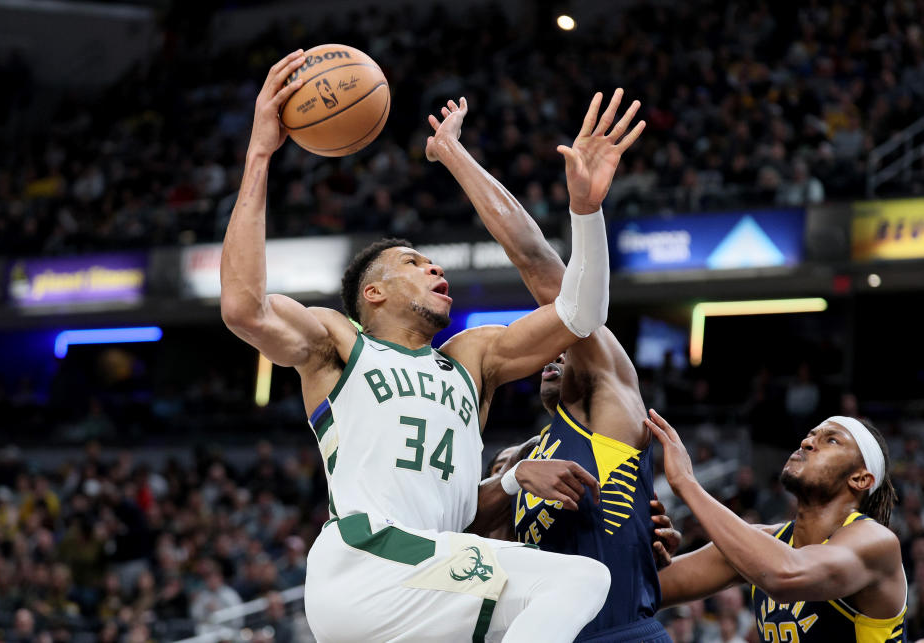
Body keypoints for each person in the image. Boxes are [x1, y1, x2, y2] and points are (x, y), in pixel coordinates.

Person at [220, 49, 638, 642]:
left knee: (542, 610)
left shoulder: (472, 359)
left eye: (435, 262)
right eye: (414, 263)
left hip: (424, 575)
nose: (435, 269)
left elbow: (580, 314)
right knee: (577, 584)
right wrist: (261, 151)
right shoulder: (340, 343)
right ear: (373, 292)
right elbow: (244, 308)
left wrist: (586, 212)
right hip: (364, 560)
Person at [427, 89, 674, 641]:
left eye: (563, 346)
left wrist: (455, 156)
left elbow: (537, 262)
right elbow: (455, 547)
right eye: (548, 349)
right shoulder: (518, 459)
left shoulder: (606, 400)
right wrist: (510, 480)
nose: (555, 353)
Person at [648, 409, 907, 642]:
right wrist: (645, 552)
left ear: (861, 479)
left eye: (831, 440)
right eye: (810, 435)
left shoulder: (877, 542)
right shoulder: (764, 542)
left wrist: (686, 483)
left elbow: (785, 575)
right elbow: (647, 591)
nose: (806, 442)